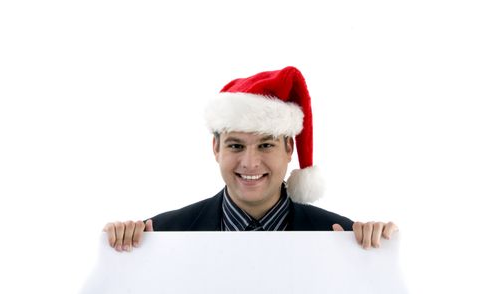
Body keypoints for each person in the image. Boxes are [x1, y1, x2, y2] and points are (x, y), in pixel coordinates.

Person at [103, 67, 398, 252]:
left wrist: (378, 253)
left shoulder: (341, 240)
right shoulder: (161, 236)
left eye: (266, 145)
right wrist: (117, 247)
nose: (250, 162)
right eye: (235, 146)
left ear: (289, 149)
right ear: (215, 148)